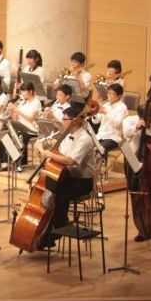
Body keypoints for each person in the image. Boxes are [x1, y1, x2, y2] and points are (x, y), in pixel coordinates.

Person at [37, 106, 96, 249]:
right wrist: (47, 151)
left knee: (60, 195)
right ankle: (47, 229)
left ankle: (58, 228)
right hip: (66, 175)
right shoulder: (66, 135)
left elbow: (70, 161)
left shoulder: (85, 139)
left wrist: (49, 154)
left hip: (82, 181)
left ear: (75, 121)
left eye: (65, 119)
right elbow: (61, 156)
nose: (62, 121)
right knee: (49, 188)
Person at [121, 103, 151, 241]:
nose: (148, 121)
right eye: (145, 118)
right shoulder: (129, 121)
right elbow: (126, 134)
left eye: (150, 118)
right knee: (135, 195)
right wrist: (136, 127)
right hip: (132, 162)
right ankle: (141, 228)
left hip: (150, 166)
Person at [0, 82, 41, 168]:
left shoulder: (36, 102)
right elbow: (16, 119)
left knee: (18, 136)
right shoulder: (23, 101)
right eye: (21, 91)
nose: (21, 93)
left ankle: (12, 162)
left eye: (24, 91)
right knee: (6, 135)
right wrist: (12, 111)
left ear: (30, 91)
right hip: (21, 127)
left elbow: (30, 118)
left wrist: (17, 110)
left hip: (31, 129)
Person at [94, 83, 128, 153]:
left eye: (112, 94)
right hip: (100, 135)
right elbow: (96, 121)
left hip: (113, 137)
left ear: (119, 96)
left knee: (98, 150)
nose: (109, 96)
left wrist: (105, 113)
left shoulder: (122, 108)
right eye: (108, 93)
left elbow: (117, 124)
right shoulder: (106, 105)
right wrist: (95, 113)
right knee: (87, 146)